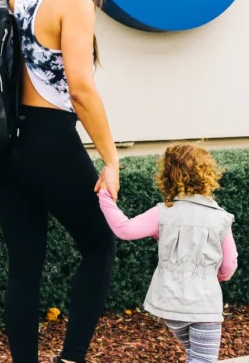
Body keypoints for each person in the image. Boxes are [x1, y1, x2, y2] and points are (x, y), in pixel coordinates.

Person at [0, 0, 122, 363]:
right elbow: (80, 89)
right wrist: (111, 159)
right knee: (100, 246)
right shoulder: (72, 1)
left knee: (25, 266)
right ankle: (70, 359)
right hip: (48, 139)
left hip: (1, 146)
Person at [98, 144, 238, 363]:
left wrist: (105, 195)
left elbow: (124, 230)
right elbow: (229, 263)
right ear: (208, 174)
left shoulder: (163, 212)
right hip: (204, 304)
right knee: (203, 360)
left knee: (195, 355)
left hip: (169, 303)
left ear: (167, 175)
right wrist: (219, 277)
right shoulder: (220, 218)